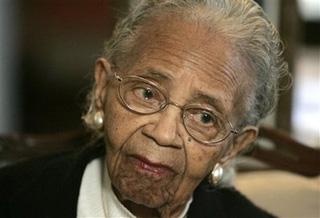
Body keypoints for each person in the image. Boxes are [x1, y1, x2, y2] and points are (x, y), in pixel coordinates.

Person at [0, 0, 288, 217]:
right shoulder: (11, 198)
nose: (163, 134)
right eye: (148, 93)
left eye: (204, 116)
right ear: (103, 88)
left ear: (232, 147)